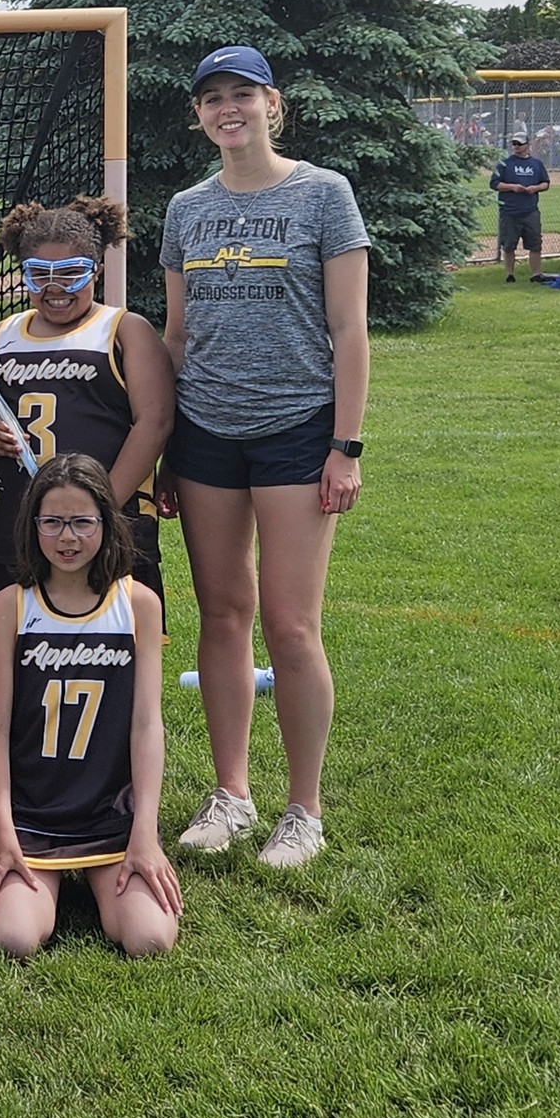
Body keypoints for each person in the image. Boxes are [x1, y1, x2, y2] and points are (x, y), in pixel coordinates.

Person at [160, 45, 369, 870]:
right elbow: (177, 337)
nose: (228, 109)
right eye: (212, 97)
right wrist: (167, 446)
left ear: (272, 104)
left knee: (290, 623)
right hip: (205, 434)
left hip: (297, 431)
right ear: (198, 115)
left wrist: (344, 446)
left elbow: (349, 330)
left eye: (242, 94)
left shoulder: (323, 193)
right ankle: (232, 795)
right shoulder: (187, 208)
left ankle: (303, 809)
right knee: (222, 614)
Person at [0, 454, 180, 959]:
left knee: (150, 939)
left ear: (107, 523)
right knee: (14, 939)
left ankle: (103, 870)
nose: (67, 538)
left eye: (82, 522)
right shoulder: (10, 605)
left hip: (110, 813)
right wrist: (3, 832)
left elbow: (146, 724)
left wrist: (145, 833)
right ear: (32, 525)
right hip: (32, 812)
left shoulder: (138, 604)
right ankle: (39, 873)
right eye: (53, 522)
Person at [0, 197, 173, 641]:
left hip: (114, 519)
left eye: (71, 273)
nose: (55, 287)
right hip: (22, 519)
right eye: (39, 274)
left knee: (113, 647)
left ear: (96, 270)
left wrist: (99, 509)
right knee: (4, 643)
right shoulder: (4, 335)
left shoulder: (123, 330)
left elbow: (155, 422)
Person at [490, 132, 551, 283]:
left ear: (527, 145)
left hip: (530, 210)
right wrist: (512, 187)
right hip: (510, 211)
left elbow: (545, 183)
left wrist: (535, 188)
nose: (516, 146)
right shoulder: (505, 163)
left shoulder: (536, 164)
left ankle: (535, 274)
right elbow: (494, 183)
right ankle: (509, 274)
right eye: (514, 144)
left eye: (519, 144)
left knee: (535, 243)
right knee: (509, 244)